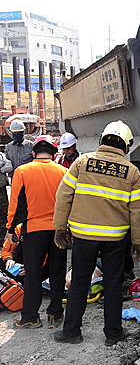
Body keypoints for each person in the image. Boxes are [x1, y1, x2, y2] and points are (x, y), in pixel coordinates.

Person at [52, 120, 140, 346]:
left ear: (102, 140)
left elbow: (63, 196)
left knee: (79, 283)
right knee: (113, 285)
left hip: (83, 237)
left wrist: (60, 227)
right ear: (125, 145)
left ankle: (71, 331)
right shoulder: (131, 172)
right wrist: (138, 242)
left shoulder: (82, 163)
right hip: (115, 239)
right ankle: (113, 334)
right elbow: (138, 211)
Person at [6, 135, 68, 329]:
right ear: (55, 153)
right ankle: (56, 315)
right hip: (59, 229)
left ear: (33, 153)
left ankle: (31, 317)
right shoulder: (64, 171)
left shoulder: (22, 171)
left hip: (33, 230)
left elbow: (15, 205)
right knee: (58, 272)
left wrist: (10, 229)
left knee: (33, 274)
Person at [0, 151, 13, 242]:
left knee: (4, 213)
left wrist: (1, 168)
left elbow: (9, 167)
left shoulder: (1, 155)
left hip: (1, 189)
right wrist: (1, 164)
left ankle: (1, 239)